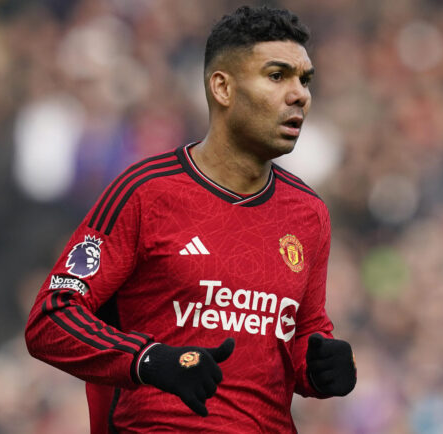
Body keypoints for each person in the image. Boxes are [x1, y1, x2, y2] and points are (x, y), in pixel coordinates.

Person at [25, 5, 356, 433]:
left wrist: (321, 366)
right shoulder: (145, 193)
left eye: (304, 80)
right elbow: (51, 319)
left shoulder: (309, 213)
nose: (299, 95)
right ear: (222, 87)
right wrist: (150, 360)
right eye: (277, 76)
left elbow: (303, 335)